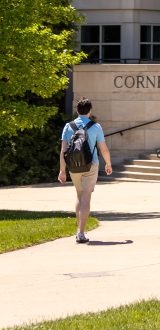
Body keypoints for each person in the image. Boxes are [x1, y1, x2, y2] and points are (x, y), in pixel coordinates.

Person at [58, 98, 113, 243]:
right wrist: (108, 164)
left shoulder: (68, 126)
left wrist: (62, 171)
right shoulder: (96, 127)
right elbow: (104, 149)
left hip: (74, 166)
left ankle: (79, 229)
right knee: (86, 196)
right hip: (91, 165)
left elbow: (63, 151)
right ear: (90, 111)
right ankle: (81, 233)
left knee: (79, 194)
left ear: (77, 110)